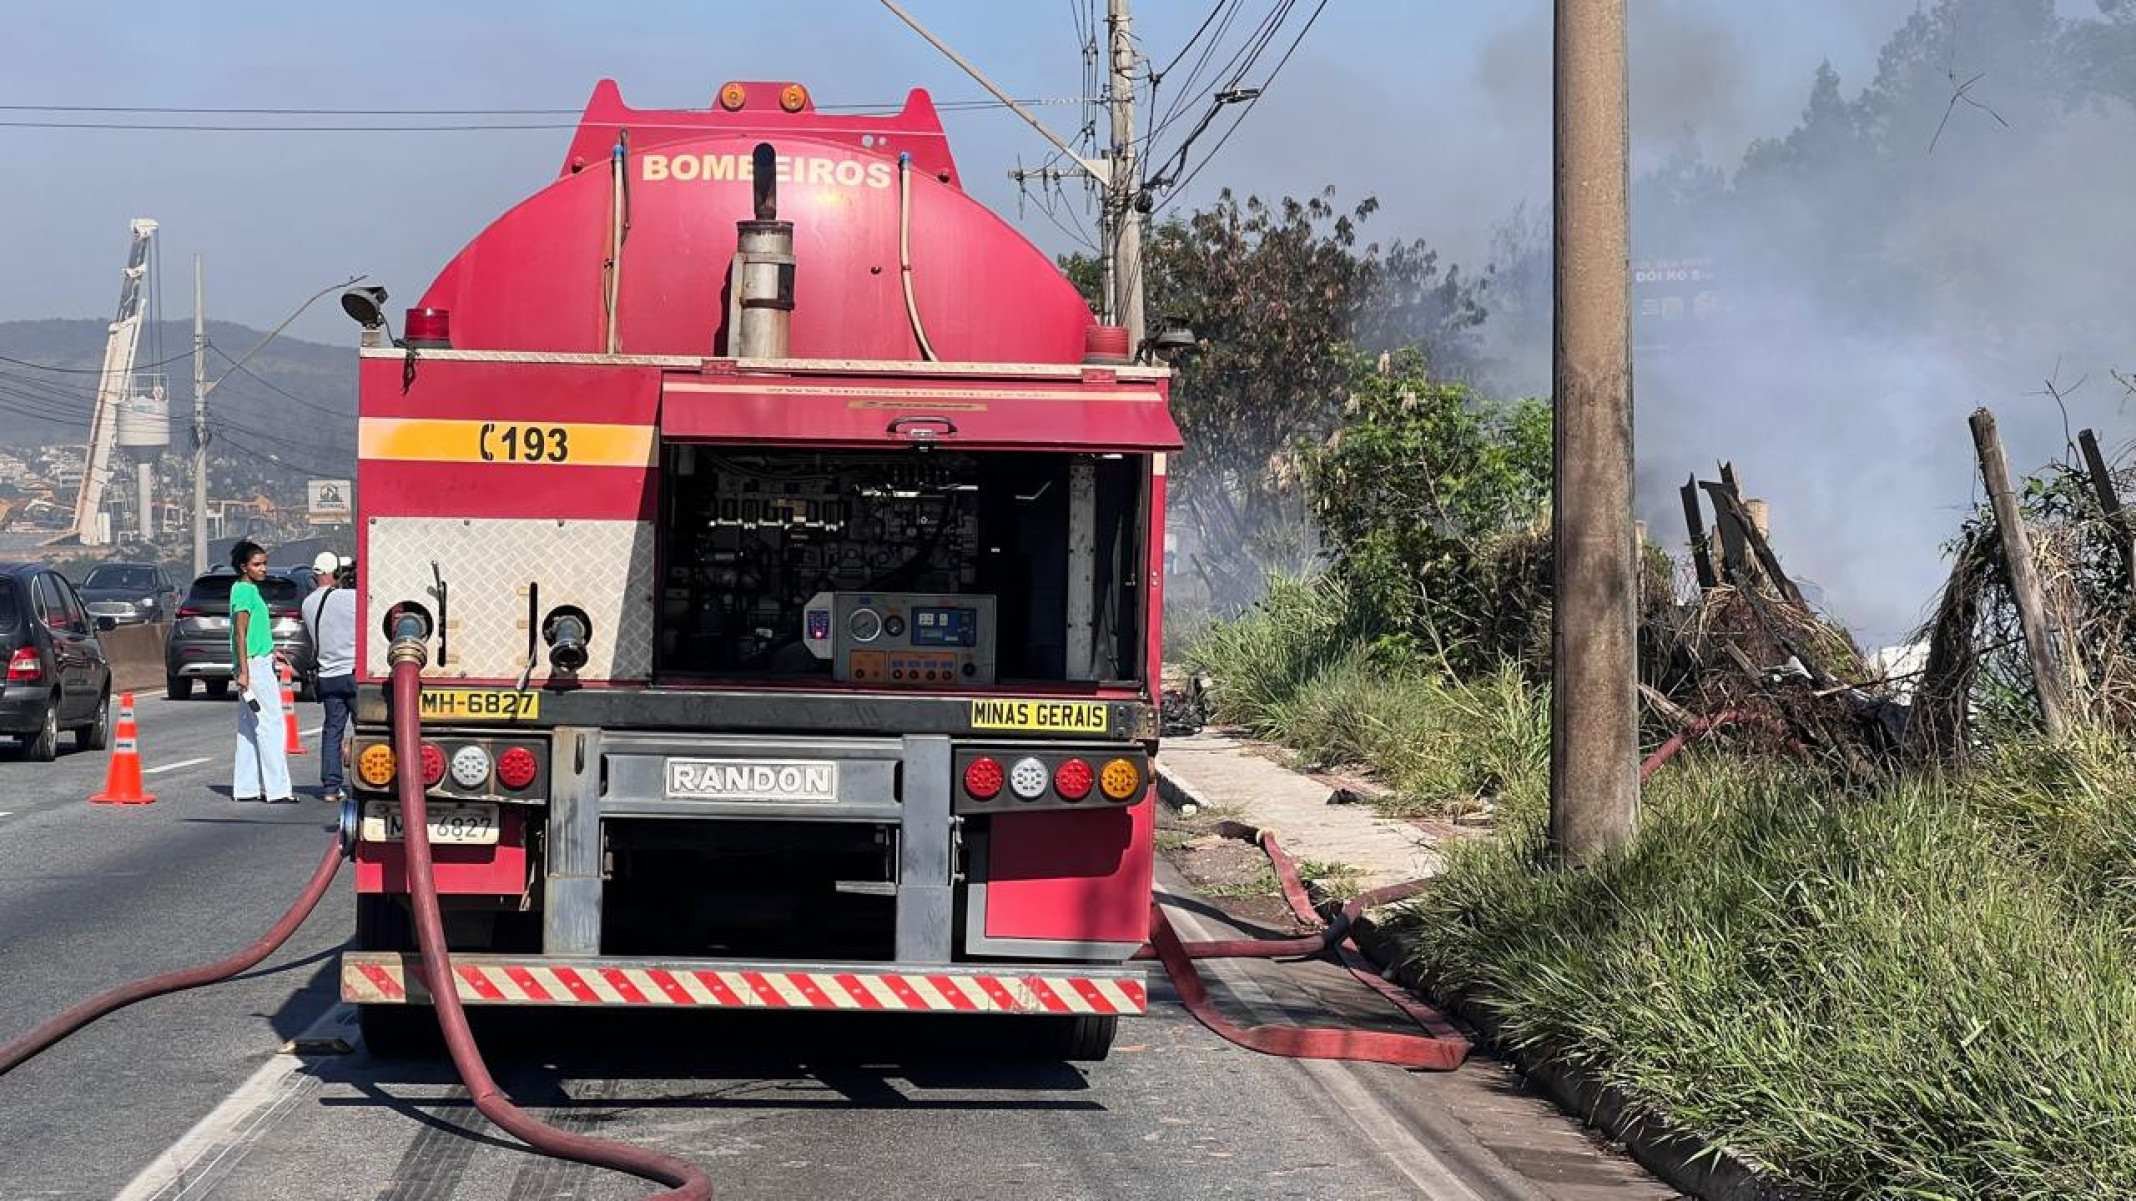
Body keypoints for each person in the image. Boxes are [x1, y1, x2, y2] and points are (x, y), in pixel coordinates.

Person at [228, 540, 294, 803]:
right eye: (257, 564)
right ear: (244, 567)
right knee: (271, 724)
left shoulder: (246, 589)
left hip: (256, 659)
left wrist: (271, 650)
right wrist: (245, 671)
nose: (263, 569)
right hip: (255, 666)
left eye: (264, 563)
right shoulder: (245, 591)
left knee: (249, 727)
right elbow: (240, 632)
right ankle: (278, 789)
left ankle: (246, 788)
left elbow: (253, 631)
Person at [302, 550, 358, 804]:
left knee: (332, 730)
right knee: (366, 729)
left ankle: (330, 787)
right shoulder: (350, 598)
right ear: (335, 572)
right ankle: (367, 782)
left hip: (327, 675)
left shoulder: (307, 603)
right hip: (353, 673)